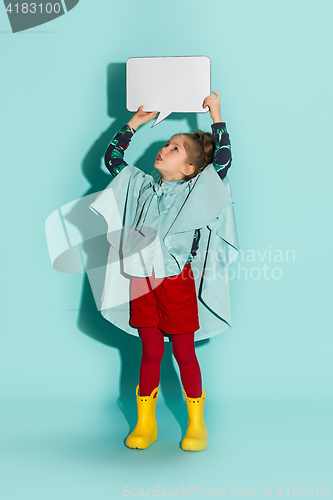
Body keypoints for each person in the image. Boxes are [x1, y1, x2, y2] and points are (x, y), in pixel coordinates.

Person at [89, 91, 239, 452]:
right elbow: (112, 160)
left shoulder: (197, 190)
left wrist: (216, 114)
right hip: (142, 283)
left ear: (189, 169)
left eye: (174, 148)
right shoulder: (141, 186)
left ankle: (197, 424)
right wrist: (134, 123)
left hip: (176, 284)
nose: (164, 149)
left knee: (184, 352)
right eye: (167, 144)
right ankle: (146, 423)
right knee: (150, 351)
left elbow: (222, 161)